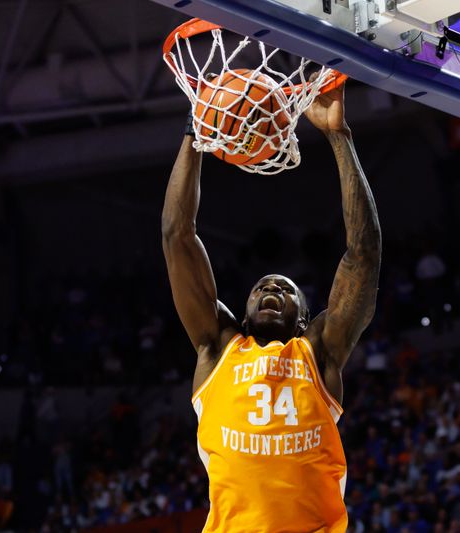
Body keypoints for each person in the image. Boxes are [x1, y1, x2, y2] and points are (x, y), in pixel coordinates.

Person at [162, 80, 381, 532]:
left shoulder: (318, 351)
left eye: (285, 289)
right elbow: (177, 235)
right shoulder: (217, 347)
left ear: (304, 318)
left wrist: (340, 138)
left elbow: (363, 252)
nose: (271, 290)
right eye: (263, 287)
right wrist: (194, 133)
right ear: (242, 313)